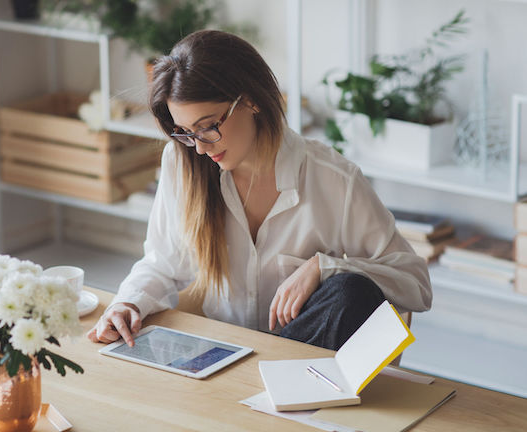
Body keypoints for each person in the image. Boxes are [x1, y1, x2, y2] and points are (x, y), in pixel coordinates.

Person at [86, 30, 432, 351]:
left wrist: (323, 268)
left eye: (207, 127)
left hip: (302, 358)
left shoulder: (333, 180)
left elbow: (415, 284)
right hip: (221, 354)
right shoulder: (184, 163)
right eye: (186, 132)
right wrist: (126, 303)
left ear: (250, 100)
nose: (200, 148)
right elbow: (162, 263)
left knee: (350, 291)